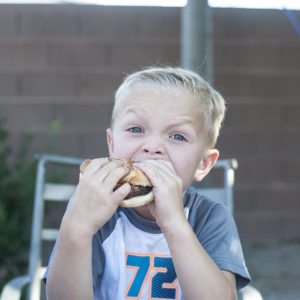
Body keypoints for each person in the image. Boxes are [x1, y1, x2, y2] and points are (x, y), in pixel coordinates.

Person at [45, 66, 250, 299]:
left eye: (177, 136)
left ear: (203, 163)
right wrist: (76, 229)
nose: (152, 146)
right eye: (136, 129)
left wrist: (174, 223)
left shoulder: (209, 218)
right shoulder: (97, 214)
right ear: (112, 145)